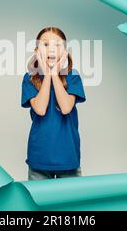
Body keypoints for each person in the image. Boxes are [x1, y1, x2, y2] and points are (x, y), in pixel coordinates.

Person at [21, 27, 86, 180]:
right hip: (39, 158)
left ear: (64, 51)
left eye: (57, 45)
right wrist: (47, 73)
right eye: (45, 44)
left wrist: (54, 74)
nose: (51, 49)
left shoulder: (72, 76)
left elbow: (65, 108)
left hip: (68, 157)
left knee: (70, 203)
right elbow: (40, 109)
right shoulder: (29, 78)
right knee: (40, 203)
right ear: (36, 50)